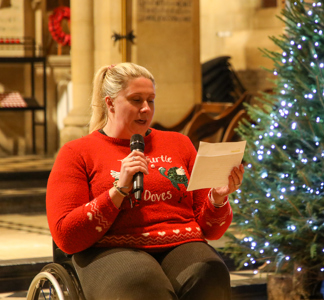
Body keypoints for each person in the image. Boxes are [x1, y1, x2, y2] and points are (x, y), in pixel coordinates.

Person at [46, 62, 245, 300]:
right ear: (110, 103)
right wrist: (118, 191)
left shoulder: (179, 144)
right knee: (142, 285)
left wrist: (218, 198)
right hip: (109, 249)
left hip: (180, 242)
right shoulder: (78, 152)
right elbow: (66, 236)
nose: (145, 108)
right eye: (136, 100)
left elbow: (211, 230)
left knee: (209, 272)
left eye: (150, 100)